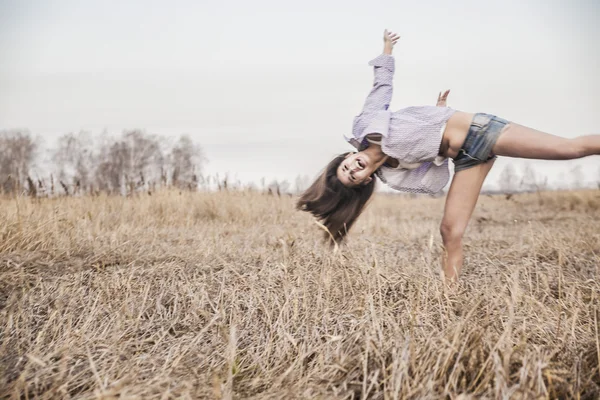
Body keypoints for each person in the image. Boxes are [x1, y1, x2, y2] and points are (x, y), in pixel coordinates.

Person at [297, 29, 600, 283]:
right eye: (352, 177)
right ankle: (448, 299)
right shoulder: (393, 173)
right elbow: (430, 165)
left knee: (568, 149)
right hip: (467, 159)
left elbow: (381, 88)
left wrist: (387, 49)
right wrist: (437, 117)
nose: (352, 169)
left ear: (348, 156)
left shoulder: (368, 126)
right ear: (363, 182)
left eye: (345, 166)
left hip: (481, 131)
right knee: (449, 230)